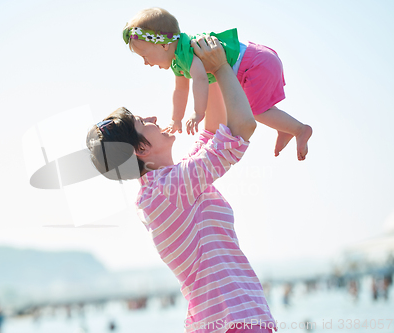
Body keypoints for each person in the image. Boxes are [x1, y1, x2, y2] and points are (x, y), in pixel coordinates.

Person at [87, 36, 276, 333]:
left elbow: (213, 131)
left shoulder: (163, 187)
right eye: (141, 121)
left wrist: (202, 64)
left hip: (230, 318)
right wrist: (223, 68)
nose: (151, 116)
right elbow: (241, 130)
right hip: (233, 320)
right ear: (141, 149)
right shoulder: (168, 189)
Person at [123, 7, 312, 160]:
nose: (146, 62)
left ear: (164, 45)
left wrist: (198, 113)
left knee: (255, 112)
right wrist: (176, 119)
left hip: (255, 64)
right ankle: (285, 128)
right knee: (260, 107)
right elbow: (180, 90)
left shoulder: (187, 52)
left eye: (145, 56)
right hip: (255, 61)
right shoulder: (177, 60)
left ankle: (299, 129)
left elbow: (200, 80)